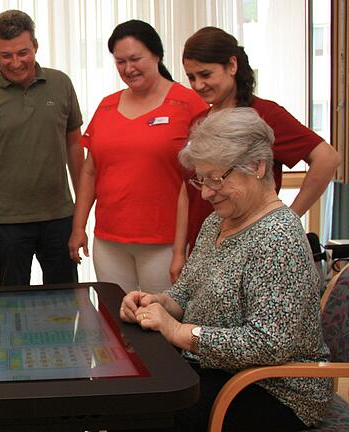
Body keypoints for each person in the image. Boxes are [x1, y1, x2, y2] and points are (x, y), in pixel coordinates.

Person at [120, 108, 331, 431]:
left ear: (258, 167)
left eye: (217, 179)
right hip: (220, 371)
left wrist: (177, 332)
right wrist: (160, 304)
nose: (205, 193)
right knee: (132, 393)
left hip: (275, 390)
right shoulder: (218, 220)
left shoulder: (277, 236)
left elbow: (268, 344)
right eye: (201, 179)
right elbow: (187, 290)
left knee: (143, 412)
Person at [169, 26, 340, 282]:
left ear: (232, 65)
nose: (198, 85)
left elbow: (327, 159)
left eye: (205, 74)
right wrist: (178, 252)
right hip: (204, 249)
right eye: (191, 77)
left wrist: (288, 218)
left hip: (249, 250)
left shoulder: (264, 115)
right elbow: (188, 190)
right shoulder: (200, 121)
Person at [68, 20, 207, 293]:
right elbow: (90, 171)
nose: (128, 68)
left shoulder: (188, 103)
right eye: (120, 62)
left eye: (135, 59)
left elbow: (206, 174)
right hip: (109, 241)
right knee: (115, 320)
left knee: (160, 322)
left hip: (166, 242)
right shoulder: (107, 106)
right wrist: (78, 226)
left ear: (156, 54)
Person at [0, 9, 84, 286]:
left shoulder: (61, 84)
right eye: (6, 55)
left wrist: (81, 216)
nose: (15, 62)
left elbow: (76, 146)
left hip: (59, 216)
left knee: (64, 303)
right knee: (11, 310)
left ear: (35, 46)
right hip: (6, 221)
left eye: (23, 52)